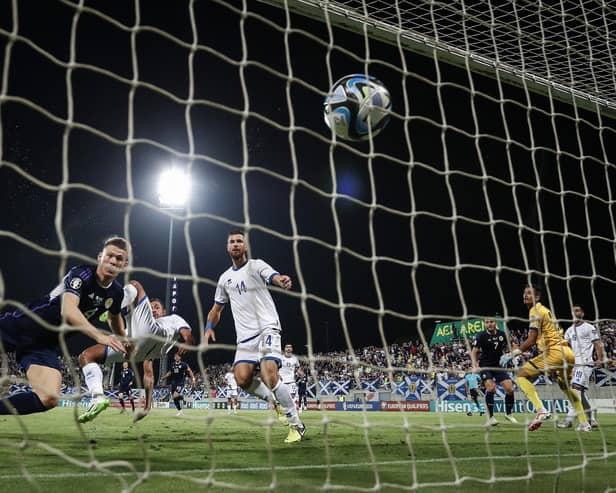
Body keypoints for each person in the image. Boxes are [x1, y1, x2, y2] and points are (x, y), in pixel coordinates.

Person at [0, 237, 128, 415]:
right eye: (110, 256)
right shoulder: (81, 275)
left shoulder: (116, 292)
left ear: (125, 264)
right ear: (100, 257)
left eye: (119, 258)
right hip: (24, 325)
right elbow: (68, 310)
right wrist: (100, 336)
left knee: (49, 397)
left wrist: (124, 339)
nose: (113, 261)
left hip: (44, 345)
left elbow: (114, 317)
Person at [204, 230, 306, 443]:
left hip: (267, 327)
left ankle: (296, 424)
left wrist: (281, 280)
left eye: (239, 241)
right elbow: (216, 309)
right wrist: (208, 327)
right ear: (227, 247)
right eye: (231, 241)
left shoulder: (256, 265)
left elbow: (273, 276)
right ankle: (275, 401)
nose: (235, 244)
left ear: (246, 246)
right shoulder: (224, 279)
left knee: (269, 374)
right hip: (245, 338)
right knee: (241, 379)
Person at [77, 283, 194, 423]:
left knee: (136, 286)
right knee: (86, 356)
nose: (153, 309)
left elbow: (188, 335)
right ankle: (97, 398)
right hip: (135, 344)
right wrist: (147, 407)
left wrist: (187, 341)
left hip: (151, 335)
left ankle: (111, 307)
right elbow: (148, 374)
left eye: (157, 307)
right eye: (151, 308)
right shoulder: (144, 320)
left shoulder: (173, 319)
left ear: (164, 312)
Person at [500, 285, 590, 432]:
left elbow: (531, 340)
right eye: (524, 293)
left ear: (537, 298)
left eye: (529, 293)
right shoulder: (545, 311)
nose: (525, 296)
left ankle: (541, 410)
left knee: (520, 375)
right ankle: (584, 422)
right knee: (565, 387)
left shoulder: (535, 310)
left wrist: (512, 354)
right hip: (568, 353)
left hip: (555, 353)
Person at [558, 304, 605, 429]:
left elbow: (597, 344)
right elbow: (565, 347)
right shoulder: (569, 330)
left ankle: (569, 420)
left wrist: (599, 359)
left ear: (582, 314)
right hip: (573, 364)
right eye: (573, 311)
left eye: (577, 310)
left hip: (585, 363)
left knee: (575, 391)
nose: (575, 312)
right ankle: (592, 419)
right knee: (581, 394)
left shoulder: (589, 327)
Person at [471, 317, 517, 425]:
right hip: (485, 366)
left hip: (498, 366)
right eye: (487, 322)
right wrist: (475, 365)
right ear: (485, 324)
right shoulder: (481, 336)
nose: (489, 324)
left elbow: (512, 346)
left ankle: (508, 414)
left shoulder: (502, 334)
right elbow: (474, 351)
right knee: (491, 388)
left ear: (495, 323)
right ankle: (491, 418)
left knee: (510, 389)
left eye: (491, 322)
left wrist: (514, 353)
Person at [162, 352, 196, 417]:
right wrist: (163, 378)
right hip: (173, 382)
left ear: (180, 357)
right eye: (175, 356)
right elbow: (170, 372)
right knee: (174, 398)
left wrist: (193, 379)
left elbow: (190, 371)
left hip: (180, 382)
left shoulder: (184, 364)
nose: (175, 357)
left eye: (177, 356)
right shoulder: (172, 364)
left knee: (175, 396)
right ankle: (180, 411)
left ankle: (182, 398)